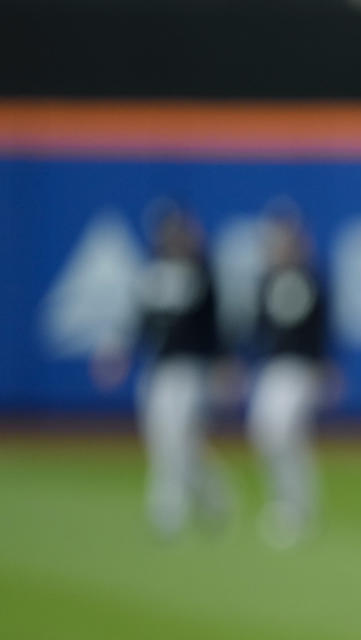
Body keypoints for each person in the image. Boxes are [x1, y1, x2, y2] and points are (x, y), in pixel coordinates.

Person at [94, 200, 230, 539]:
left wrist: (222, 364)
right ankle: (216, 498)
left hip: (191, 367)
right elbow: (138, 321)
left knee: (178, 436)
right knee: (168, 439)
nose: (171, 237)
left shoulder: (201, 271)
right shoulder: (152, 272)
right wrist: (119, 352)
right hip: (158, 367)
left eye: (176, 230)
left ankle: (168, 511)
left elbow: (214, 325)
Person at [246, 207, 329, 548]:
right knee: (265, 434)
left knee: (283, 432)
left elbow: (321, 326)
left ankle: (298, 506)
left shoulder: (310, 278)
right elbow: (259, 329)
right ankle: (288, 501)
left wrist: (324, 365)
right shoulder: (267, 280)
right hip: (272, 367)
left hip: (302, 367)